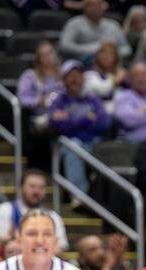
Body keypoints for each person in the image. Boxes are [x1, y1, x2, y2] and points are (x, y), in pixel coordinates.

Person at [49, 60, 112, 197]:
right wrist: (86, 118)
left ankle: (102, 198)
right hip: (68, 145)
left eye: (78, 76)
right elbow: (58, 126)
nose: (75, 80)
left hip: (93, 143)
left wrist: (71, 119)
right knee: (74, 146)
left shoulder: (93, 99)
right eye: (71, 76)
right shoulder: (59, 101)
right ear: (64, 79)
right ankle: (79, 197)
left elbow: (104, 123)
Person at [0, 169, 69, 251]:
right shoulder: (4, 210)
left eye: (41, 188)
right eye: (32, 186)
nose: (36, 191)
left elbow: (61, 246)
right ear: (21, 187)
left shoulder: (53, 216)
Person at [59, 0, 130, 62]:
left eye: (99, 5)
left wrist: (111, 53)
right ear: (85, 8)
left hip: (111, 65)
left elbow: (127, 48)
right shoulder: (75, 23)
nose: (96, 8)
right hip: (82, 63)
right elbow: (64, 45)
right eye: (92, 6)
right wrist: (91, 49)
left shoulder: (113, 25)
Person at [17, 42, 64, 120]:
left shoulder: (64, 72)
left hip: (63, 112)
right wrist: (38, 101)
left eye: (50, 53)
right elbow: (22, 99)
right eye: (44, 55)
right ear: (39, 59)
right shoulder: (29, 75)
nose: (48, 57)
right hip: (42, 116)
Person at [84, 42, 127, 111]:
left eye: (111, 53)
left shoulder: (121, 77)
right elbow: (102, 90)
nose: (107, 56)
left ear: (116, 58)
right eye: (103, 53)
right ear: (97, 56)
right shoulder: (89, 74)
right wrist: (116, 80)